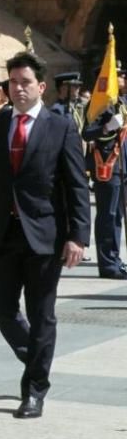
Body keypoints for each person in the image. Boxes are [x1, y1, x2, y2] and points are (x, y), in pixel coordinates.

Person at [0, 51, 90, 418]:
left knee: (41, 314)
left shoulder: (60, 127)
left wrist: (78, 236)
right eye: (12, 83)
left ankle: (34, 390)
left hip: (45, 237)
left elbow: (75, 186)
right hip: (1, 234)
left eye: (25, 83)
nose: (17, 89)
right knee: (1, 308)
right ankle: (35, 357)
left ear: (41, 86)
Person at [82, 64, 127, 279]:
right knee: (107, 216)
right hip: (107, 167)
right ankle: (107, 264)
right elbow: (87, 133)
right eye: (118, 75)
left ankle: (115, 259)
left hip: (121, 168)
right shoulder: (99, 105)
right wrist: (107, 127)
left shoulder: (120, 103)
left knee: (117, 217)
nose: (122, 78)